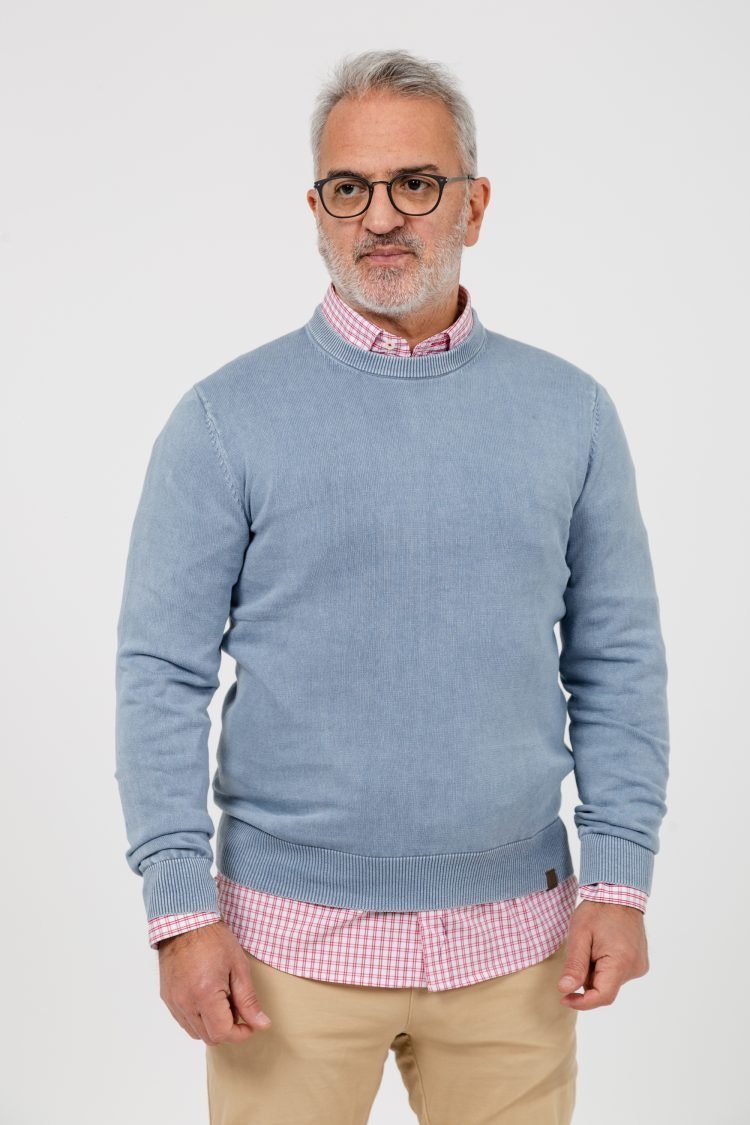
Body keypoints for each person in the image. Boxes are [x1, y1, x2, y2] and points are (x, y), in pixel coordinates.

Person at [114, 47, 670, 1125]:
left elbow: (617, 662)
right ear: (316, 210)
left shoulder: (573, 414)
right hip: (280, 956)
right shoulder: (224, 419)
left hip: (521, 952)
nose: (380, 216)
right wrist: (180, 912)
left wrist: (618, 879)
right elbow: (160, 675)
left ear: (475, 203)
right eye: (349, 188)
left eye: (416, 183)